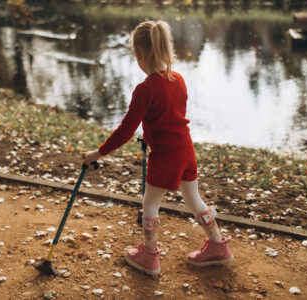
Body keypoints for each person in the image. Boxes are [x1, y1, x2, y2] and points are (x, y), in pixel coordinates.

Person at [82, 20, 233, 276]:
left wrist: (97, 153)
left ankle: (149, 255)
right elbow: (169, 117)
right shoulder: (179, 79)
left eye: (135, 55)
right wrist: (151, 133)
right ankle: (218, 245)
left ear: (141, 54)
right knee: (193, 199)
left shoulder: (145, 89)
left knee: (150, 203)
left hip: (165, 156)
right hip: (186, 150)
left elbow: (125, 131)